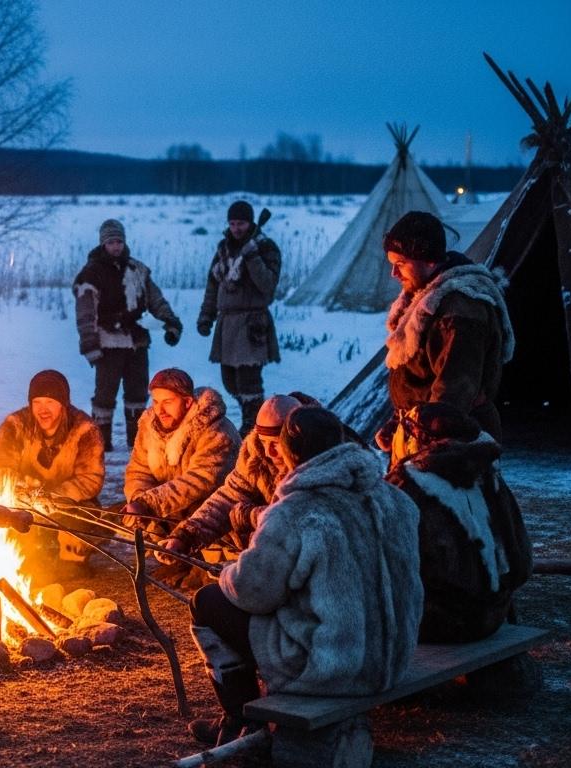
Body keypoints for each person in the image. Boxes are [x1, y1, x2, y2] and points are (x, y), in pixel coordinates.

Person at [185, 407, 422, 746]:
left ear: (287, 452)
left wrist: (228, 572)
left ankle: (242, 722)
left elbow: (251, 592)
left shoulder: (295, 512)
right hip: (392, 657)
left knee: (207, 602)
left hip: (331, 666)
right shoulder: (395, 499)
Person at [386, 402, 532, 643]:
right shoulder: (489, 473)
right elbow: (522, 564)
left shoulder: (408, 485)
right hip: (494, 614)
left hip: (438, 622)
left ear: (416, 438)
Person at [376, 210, 513, 463]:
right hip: (420, 434)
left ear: (428, 259)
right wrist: (398, 423)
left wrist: (429, 443)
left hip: (453, 443)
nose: (394, 274)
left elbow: (455, 390)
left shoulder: (461, 311)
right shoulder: (424, 299)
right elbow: (420, 378)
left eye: (401, 264)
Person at [73, 218, 182, 451]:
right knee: (104, 395)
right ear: (103, 244)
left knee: (138, 394)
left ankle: (138, 441)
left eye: (119, 241)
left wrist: (171, 322)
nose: (116, 246)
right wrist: (90, 344)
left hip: (137, 342)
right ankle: (100, 443)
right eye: (111, 242)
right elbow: (85, 312)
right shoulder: (91, 274)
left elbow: (155, 300)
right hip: (108, 343)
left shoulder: (137, 270)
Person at [156, 395, 302, 562]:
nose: (269, 452)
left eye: (276, 443)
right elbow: (229, 497)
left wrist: (248, 516)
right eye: (264, 442)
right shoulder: (255, 456)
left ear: (295, 437)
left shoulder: (320, 458)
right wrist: (186, 536)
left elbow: (300, 519)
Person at [0, 369, 105, 563]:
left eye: (50, 402)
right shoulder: (15, 425)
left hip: (67, 503)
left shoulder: (85, 430)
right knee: (21, 556)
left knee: (81, 526)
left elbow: (91, 478)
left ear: (63, 404)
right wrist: (22, 491)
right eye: (37, 402)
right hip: (23, 503)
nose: (43, 409)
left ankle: (71, 558)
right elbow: (1, 468)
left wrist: (54, 496)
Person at [122, 368, 240, 543]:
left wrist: (149, 504)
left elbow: (200, 480)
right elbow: (138, 471)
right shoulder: (149, 427)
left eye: (168, 402)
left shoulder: (216, 431)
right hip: (170, 513)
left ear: (187, 402)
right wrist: (139, 501)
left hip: (211, 520)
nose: (159, 410)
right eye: (155, 402)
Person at [197, 200, 282, 434]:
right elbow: (213, 285)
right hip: (227, 324)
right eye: (232, 223)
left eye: (241, 223)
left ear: (250, 222)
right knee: (230, 381)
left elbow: (267, 285)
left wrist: (252, 257)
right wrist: (206, 315)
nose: (236, 228)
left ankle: (253, 425)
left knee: (249, 380)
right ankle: (252, 414)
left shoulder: (265, 248)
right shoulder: (224, 249)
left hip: (252, 322)